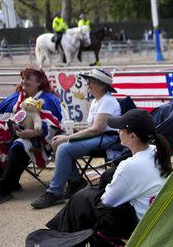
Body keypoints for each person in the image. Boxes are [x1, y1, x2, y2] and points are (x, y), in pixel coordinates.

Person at [44, 109, 172, 247]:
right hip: (156, 219)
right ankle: (61, 232)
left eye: (121, 129)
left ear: (132, 136)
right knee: (90, 192)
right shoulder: (156, 150)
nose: (118, 132)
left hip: (140, 226)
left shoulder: (130, 166)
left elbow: (106, 202)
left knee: (85, 199)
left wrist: (103, 183)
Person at [0, 65, 63, 207]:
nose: (23, 81)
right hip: (17, 135)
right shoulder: (17, 98)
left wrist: (33, 132)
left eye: (28, 78)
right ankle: (11, 181)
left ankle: (3, 189)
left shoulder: (48, 99)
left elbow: (54, 125)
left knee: (19, 145)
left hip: (42, 141)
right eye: (22, 78)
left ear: (39, 82)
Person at [31, 68, 121, 209]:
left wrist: (68, 138)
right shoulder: (97, 101)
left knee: (64, 148)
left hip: (108, 139)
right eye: (88, 81)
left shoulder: (107, 101)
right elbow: (93, 129)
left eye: (91, 81)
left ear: (102, 84)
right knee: (58, 142)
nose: (88, 84)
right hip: (100, 136)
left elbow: (96, 129)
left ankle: (55, 192)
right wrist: (74, 132)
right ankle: (74, 181)